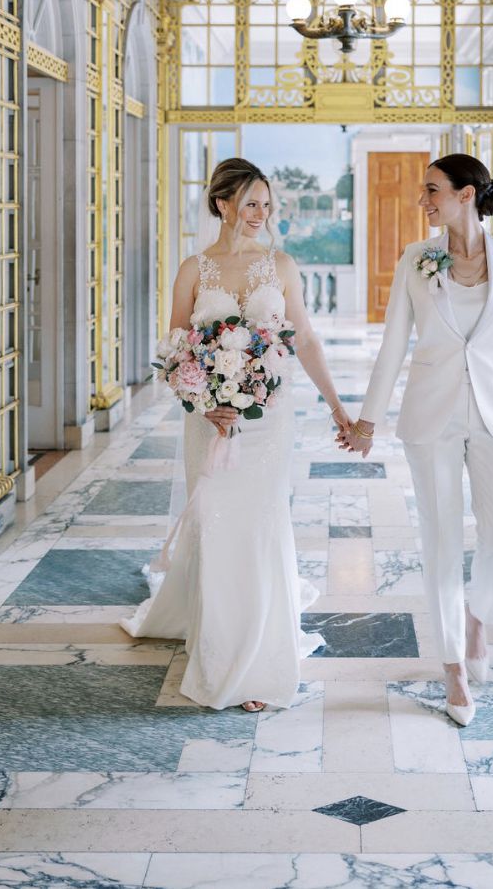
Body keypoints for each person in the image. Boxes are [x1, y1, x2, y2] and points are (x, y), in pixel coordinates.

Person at [122, 158, 351, 712]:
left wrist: (340, 409)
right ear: (222, 203)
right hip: (209, 421)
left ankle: (261, 656)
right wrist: (204, 404)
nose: (260, 214)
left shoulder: (283, 265)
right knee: (220, 526)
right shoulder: (193, 269)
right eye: (250, 203)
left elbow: (306, 342)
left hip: (269, 422)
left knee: (261, 524)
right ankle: (224, 656)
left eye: (267, 205)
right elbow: (175, 351)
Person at [338, 154, 493, 726]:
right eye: (422, 192)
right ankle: (454, 665)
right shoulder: (416, 260)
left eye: (432, 190)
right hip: (430, 418)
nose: (423, 201)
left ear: (466, 195)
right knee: (439, 540)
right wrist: (366, 421)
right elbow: (392, 347)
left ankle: (479, 612)